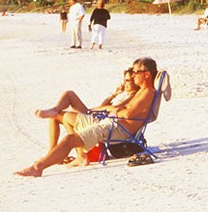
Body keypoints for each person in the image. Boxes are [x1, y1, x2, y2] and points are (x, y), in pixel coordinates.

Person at [15, 58, 166, 177]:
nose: (133, 75)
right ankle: (56, 159)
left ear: (147, 74)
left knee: (69, 139)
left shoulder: (148, 92)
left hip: (117, 129)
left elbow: (127, 114)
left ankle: (38, 167)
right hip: (111, 124)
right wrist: (119, 109)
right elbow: (123, 109)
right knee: (66, 123)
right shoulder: (142, 91)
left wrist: (117, 111)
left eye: (136, 72)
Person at [33, 69, 137, 150]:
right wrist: (114, 95)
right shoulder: (124, 93)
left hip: (102, 122)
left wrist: (98, 109)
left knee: (62, 113)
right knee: (67, 96)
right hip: (98, 115)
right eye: (124, 80)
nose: (124, 83)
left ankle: (78, 156)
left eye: (127, 80)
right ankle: (54, 110)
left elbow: (117, 109)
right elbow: (104, 106)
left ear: (135, 82)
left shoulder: (134, 96)